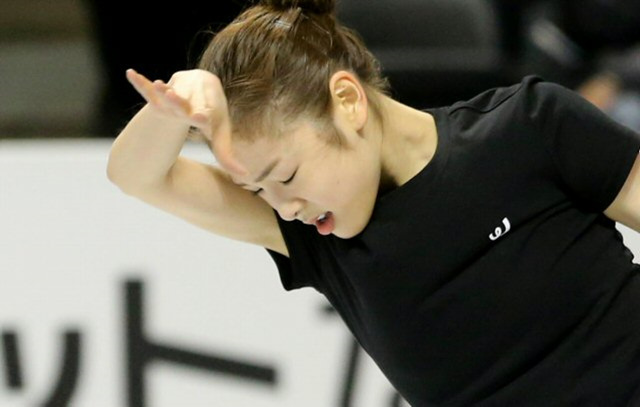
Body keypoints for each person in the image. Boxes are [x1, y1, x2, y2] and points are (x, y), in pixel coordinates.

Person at [107, 0, 640, 405]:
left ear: (347, 100)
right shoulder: (314, 239)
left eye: (286, 175)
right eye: (260, 191)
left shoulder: (529, 127)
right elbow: (137, 176)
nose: (285, 205)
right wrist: (173, 107)